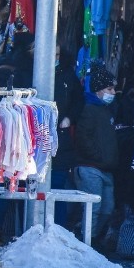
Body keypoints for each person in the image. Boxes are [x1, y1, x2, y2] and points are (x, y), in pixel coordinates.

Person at [74, 61, 118, 249]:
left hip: (106, 168)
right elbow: (83, 137)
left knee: (107, 208)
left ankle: (86, 237)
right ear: (99, 90)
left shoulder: (105, 111)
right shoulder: (88, 110)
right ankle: (86, 243)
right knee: (95, 209)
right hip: (91, 167)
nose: (113, 93)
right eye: (110, 88)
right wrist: (97, 157)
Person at [51, 44, 85, 228]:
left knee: (57, 187)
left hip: (61, 140)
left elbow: (78, 101)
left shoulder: (67, 75)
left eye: (57, 54)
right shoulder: (31, 70)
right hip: (37, 140)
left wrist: (69, 118)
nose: (54, 57)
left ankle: (58, 228)